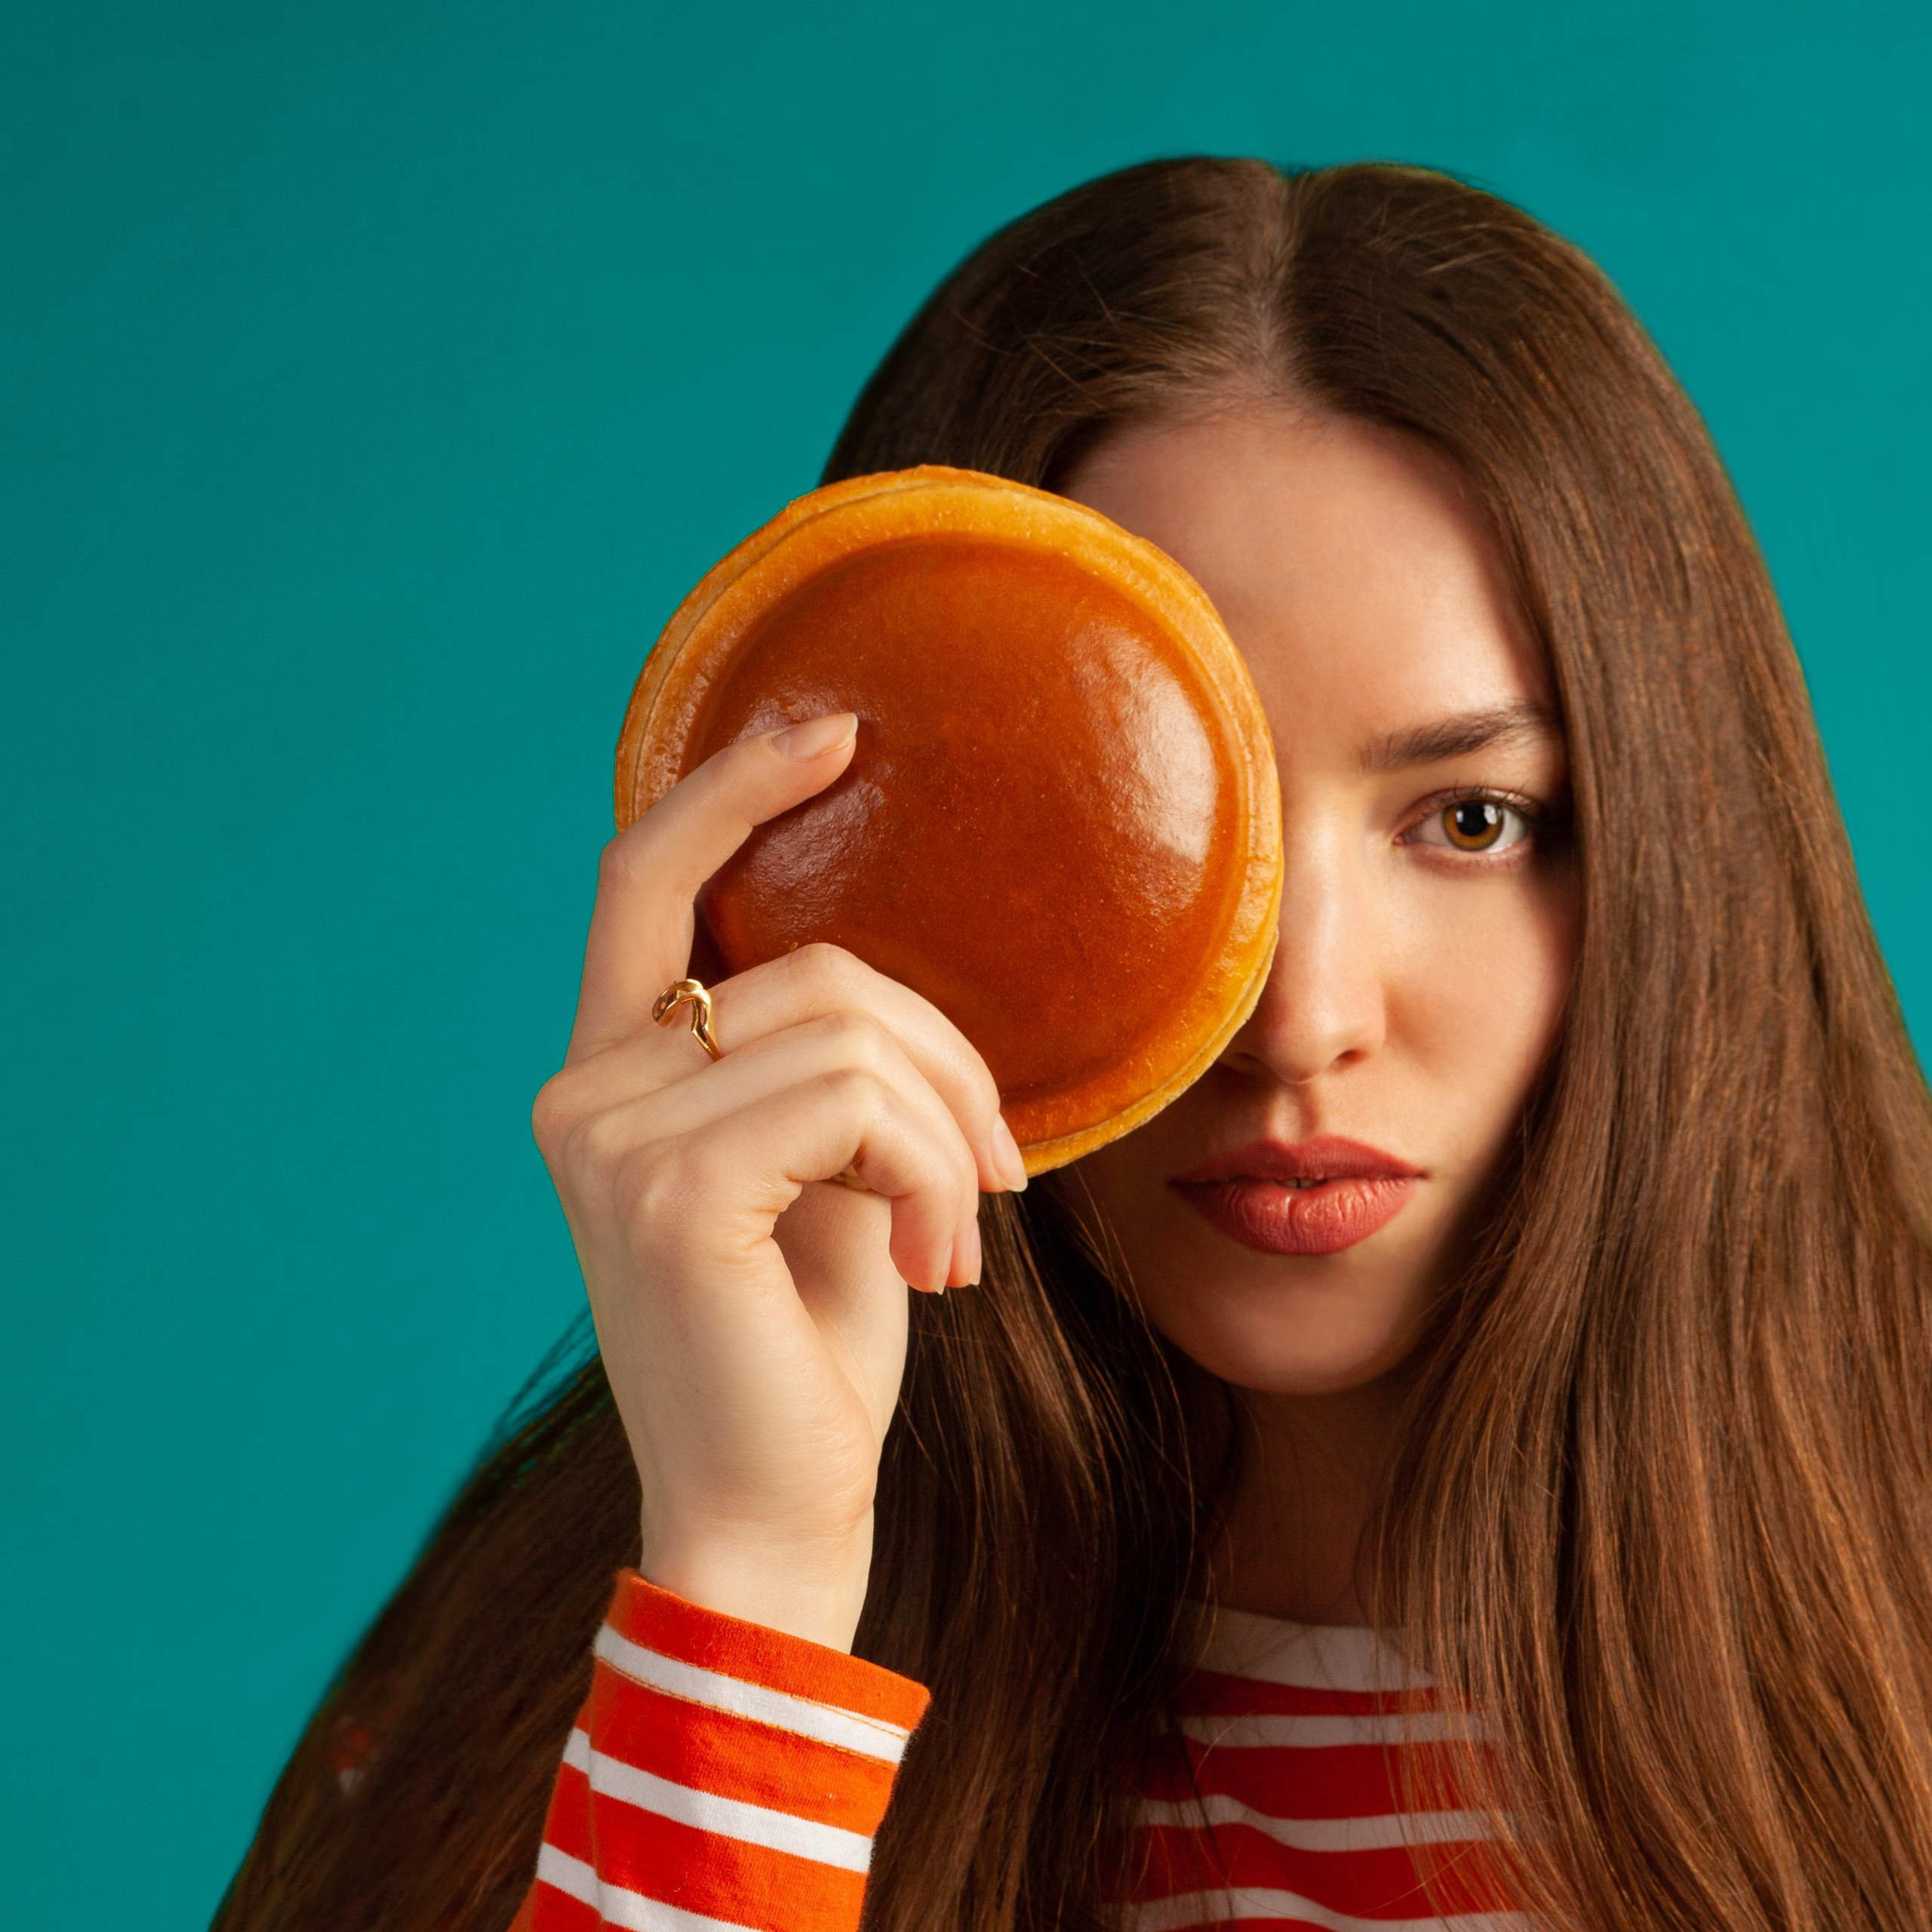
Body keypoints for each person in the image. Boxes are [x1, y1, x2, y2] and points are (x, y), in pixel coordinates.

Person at [214, 158, 1932, 1932]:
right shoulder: (536, 1717)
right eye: (1131, 828)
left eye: (1471, 820)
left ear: (1680, 856)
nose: (1298, 1019)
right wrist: (747, 1588)